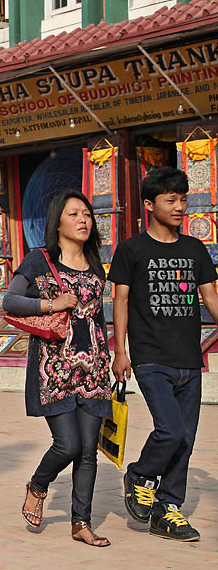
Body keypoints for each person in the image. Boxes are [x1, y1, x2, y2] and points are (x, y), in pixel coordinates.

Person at [110, 166, 218, 542]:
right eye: (170, 200)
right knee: (170, 430)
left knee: (185, 438)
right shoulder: (132, 249)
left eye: (183, 199)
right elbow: (120, 301)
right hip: (150, 357)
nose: (179, 206)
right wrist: (119, 351)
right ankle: (140, 474)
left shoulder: (194, 249)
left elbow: (210, 297)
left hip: (189, 358)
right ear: (149, 204)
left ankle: (167, 510)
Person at [2, 191, 112, 547]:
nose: (83, 220)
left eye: (87, 214)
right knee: (67, 445)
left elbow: (98, 318)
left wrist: (111, 358)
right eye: (74, 214)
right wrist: (50, 303)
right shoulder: (40, 260)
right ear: (58, 222)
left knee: (88, 451)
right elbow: (10, 300)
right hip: (55, 370)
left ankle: (82, 523)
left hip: (93, 368)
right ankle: (38, 484)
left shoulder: (96, 263)